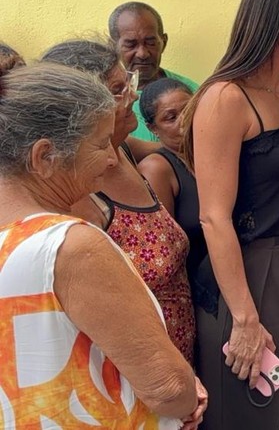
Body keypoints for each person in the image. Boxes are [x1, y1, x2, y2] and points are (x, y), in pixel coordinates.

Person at [0, 62, 205, 429]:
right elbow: (167, 388)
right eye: (99, 144)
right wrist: (188, 393)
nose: (112, 158)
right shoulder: (70, 247)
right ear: (44, 156)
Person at [183, 0, 279, 429]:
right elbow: (214, 217)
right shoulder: (225, 100)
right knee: (252, 412)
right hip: (253, 268)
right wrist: (245, 317)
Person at [41, 38, 197, 365]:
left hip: (180, 352)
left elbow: (181, 150)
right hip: (138, 370)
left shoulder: (123, 149)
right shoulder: (76, 194)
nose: (134, 96)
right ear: (81, 109)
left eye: (129, 82)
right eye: (118, 90)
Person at [137, 78, 206, 299]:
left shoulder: (213, 153)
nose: (184, 120)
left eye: (189, 109)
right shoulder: (157, 169)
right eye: (171, 117)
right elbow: (166, 246)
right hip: (198, 291)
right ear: (153, 128)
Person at [109, 1, 200, 141]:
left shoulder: (193, 94)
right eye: (131, 45)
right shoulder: (104, 101)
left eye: (151, 43)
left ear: (164, 42)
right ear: (113, 46)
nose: (142, 53)